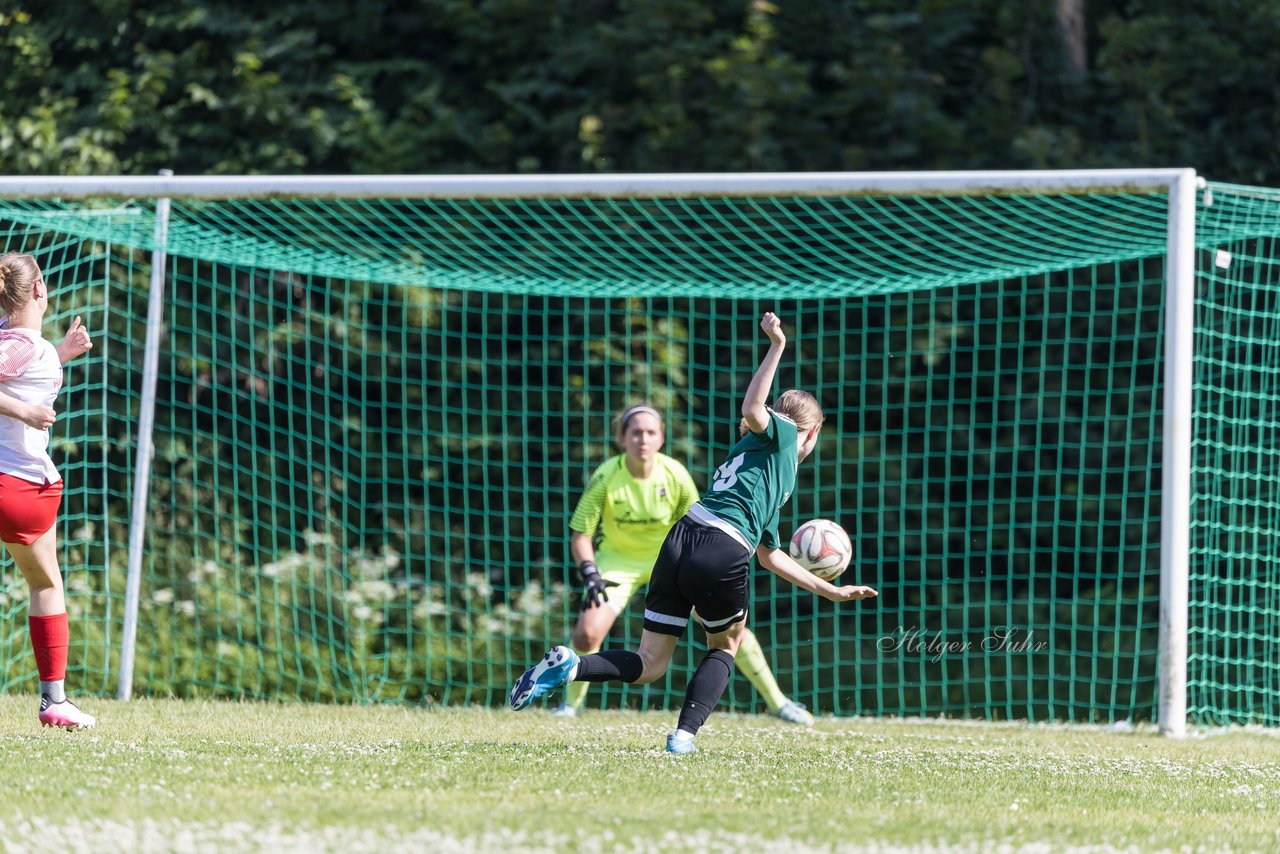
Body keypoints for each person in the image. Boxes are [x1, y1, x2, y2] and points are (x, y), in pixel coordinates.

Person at [511, 312, 877, 753]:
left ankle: (571, 666)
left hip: (680, 540)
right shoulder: (781, 437)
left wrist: (828, 591)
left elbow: (769, 556)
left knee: (650, 664)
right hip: (720, 549)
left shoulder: (761, 462)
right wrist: (777, 346)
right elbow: (752, 409)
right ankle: (683, 738)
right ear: (812, 432)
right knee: (725, 645)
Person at [555, 403, 817, 725]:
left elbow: (698, 520)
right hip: (618, 563)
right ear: (622, 439)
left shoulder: (674, 474)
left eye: (651, 432)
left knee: (731, 631)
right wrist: (589, 571)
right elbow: (581, 532)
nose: (643, 439)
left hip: (669, 555)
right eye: (636, 432)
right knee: (585, 635)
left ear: (661, 439)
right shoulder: (606, 475)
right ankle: (568, 707)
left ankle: (778, 703)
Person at [0, 252, 96, 729]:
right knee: (45, 584)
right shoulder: (22, 345)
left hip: (16, 486)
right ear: (40, 290)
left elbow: (22, 363)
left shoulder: (26, 346)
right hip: (23, 490)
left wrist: (61, 353)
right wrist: (24, 413)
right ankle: (53, 701)